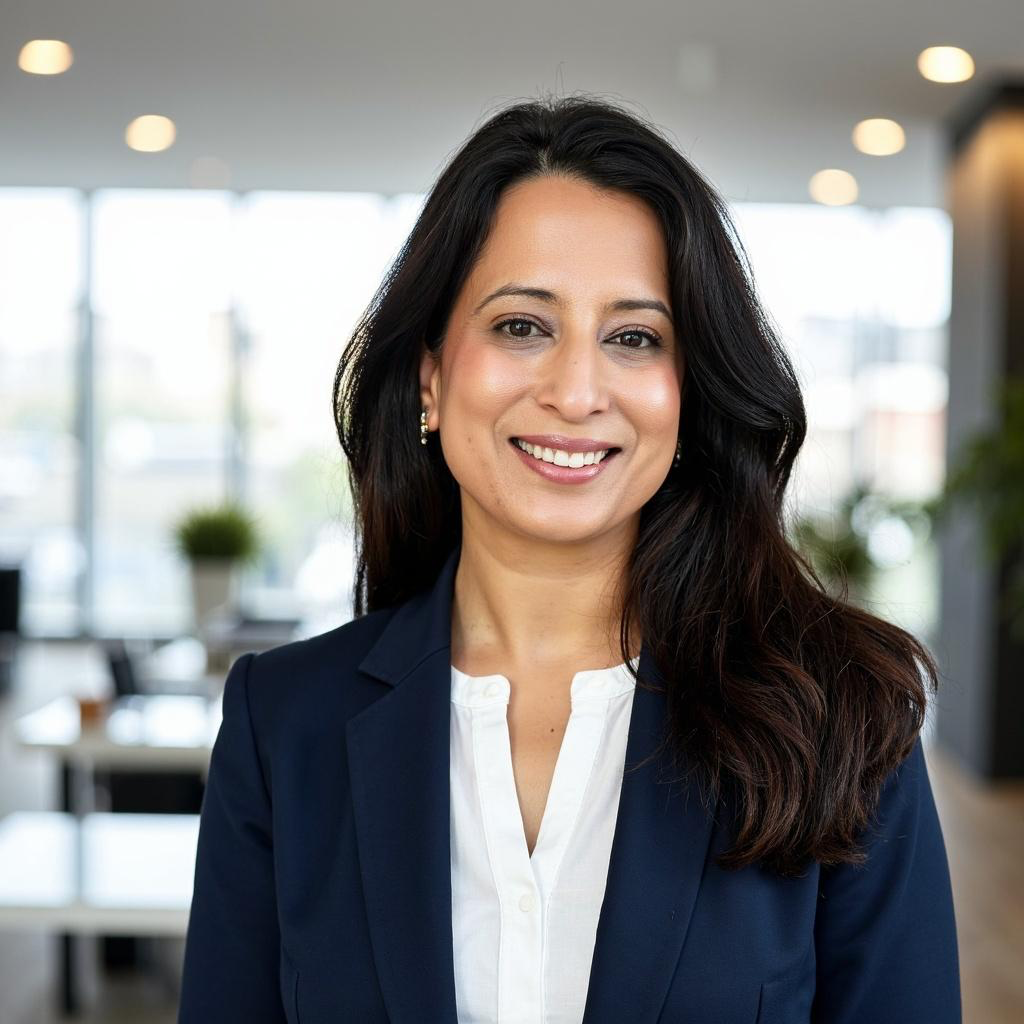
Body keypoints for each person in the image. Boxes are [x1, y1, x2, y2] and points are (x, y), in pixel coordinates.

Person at [177, 95, 961, 1024]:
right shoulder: (285, 728)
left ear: (690, 392)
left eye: (634, 337)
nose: (577, 390)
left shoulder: (844, 718)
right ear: (432, 376)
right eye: (521, 326)